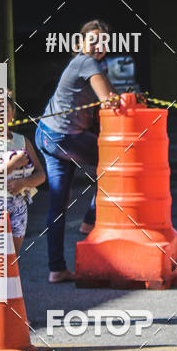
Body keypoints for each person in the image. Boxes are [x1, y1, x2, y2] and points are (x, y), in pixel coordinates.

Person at [35, 19, 117, 282]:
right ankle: (90, 219)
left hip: (46, 134)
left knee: (58, 203)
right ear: (80, 43)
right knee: (117, 162)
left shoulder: (87, 64)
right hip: (63, 136)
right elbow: (110, 101)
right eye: (91, 39)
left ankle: (56, 268)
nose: (97, 45)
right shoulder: (87, 62)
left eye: (103, 41)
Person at [0, 90, 46, 256]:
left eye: (4, 110)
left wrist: (24, 183)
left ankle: (11, 283)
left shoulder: (22, 141)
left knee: (12, 257)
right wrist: (11, 165)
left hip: (19, 204)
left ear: (13, 113)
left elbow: (41, 175)